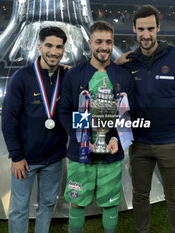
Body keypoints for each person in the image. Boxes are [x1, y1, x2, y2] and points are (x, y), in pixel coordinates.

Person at [116, 5, 175, 233]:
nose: (146, 34)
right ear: (134, 29)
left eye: (151, 28)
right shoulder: (128, 62)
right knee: (140, 195)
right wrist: (114, 65)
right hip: (139, 143)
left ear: (158, 28)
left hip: (171, 143)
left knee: (174, 196)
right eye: (141, 29)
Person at [59, 21, 135, 233]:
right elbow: (64, 110)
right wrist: (81, 139)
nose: (104, 47)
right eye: (99, 41)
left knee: (110, 203)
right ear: (90, 43)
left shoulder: (123, 77)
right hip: (80, 153)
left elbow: (128, 113)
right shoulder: (75, 75)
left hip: (111, 153)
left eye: (109, 42)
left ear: (113, 44)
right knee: (77, 201)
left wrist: (114, 139)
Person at [1, 26, 68, 233]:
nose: (53, 51)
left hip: (54, 159)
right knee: (19, 209)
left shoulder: (67, 76)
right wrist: (17, 156)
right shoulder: (22, 77)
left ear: (63, 50)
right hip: (25, 161)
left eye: (58, 47)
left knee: (47, 205)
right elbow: (8, 120)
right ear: (39, 47)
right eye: (49, 45)